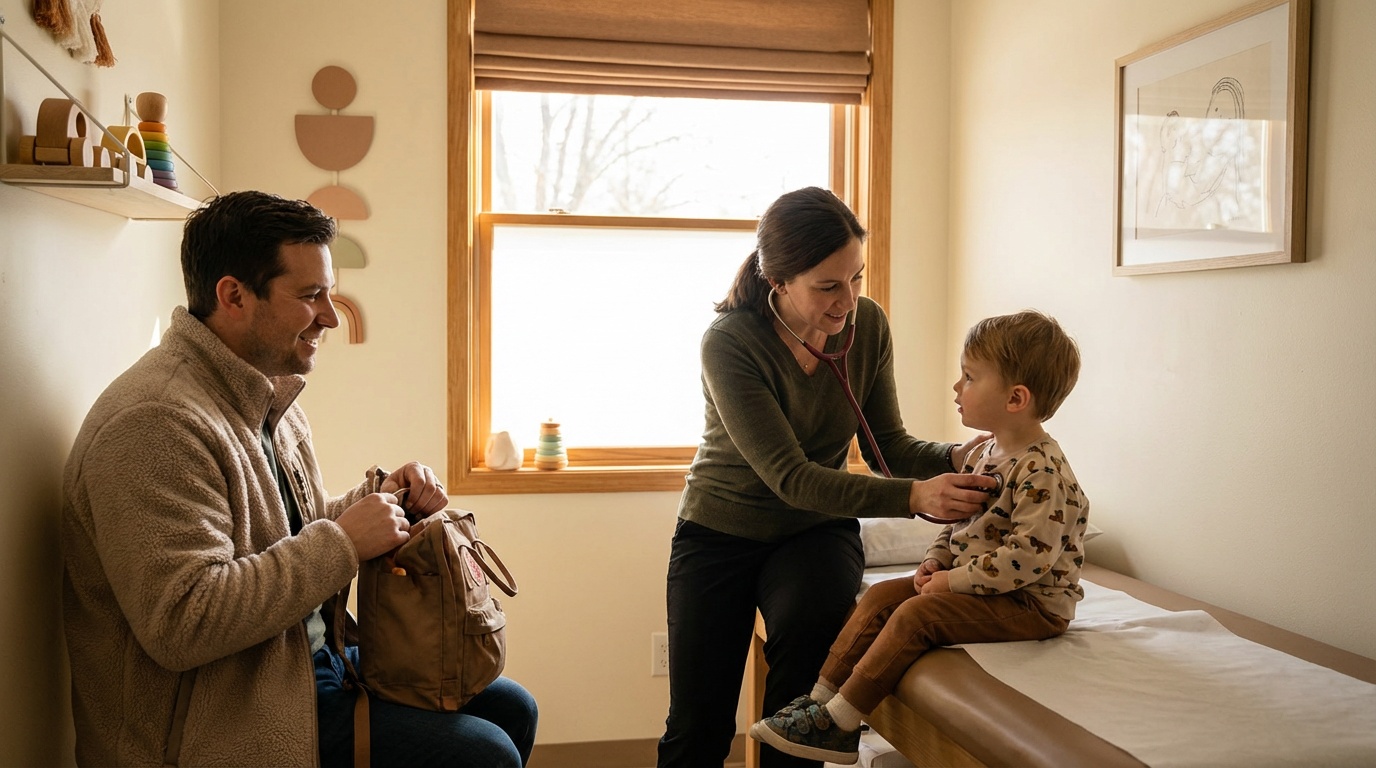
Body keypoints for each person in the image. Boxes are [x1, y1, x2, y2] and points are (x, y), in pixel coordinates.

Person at [61, 191, 537, 767]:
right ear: (234, 295)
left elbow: (284, 532)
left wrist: (382, 501)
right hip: (219, 718)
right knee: (484, 754)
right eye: (311, 296)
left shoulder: (263, 391)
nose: (331, 316)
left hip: (300, 662)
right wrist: (346, 541)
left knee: (512, 707)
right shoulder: (155, 423)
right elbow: (184, 621)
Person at [659, 187, 998, 768]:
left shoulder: (868, 325)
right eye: (827, 286)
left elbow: (887, 444)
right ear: (778, 280)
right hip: (720, 529)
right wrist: (916, 496)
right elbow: (791, 476)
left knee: (800, 707)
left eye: (856, 278)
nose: (848, 300)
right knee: (698, 723)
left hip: (814, 532)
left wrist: (954, 458)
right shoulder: (730, 342)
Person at [749, 309, 1089, 765]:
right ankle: (819, 702)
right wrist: (936, 561)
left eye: (970, 377)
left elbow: (1027, 558)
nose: (957, 387)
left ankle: (844, 721)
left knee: (916, 615)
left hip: (1030, 603)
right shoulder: (986, 453)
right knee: (880, 597)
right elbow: (960, 524)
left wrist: (952, 582)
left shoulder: (1042, 471)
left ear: (1015, 398)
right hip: (984, 588)